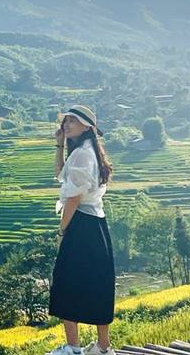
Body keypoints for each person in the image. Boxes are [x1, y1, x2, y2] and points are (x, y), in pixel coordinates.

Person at [45, 105, 116, 355]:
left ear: (87, 126)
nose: (66, 124)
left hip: (80, 225)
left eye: (72, 121)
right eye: (65, 121)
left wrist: (62, 231)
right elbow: (60, 175)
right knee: (98, 283)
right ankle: (102, 348)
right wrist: (60, 144)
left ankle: (73, 349)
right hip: (96, 224)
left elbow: (72, 198)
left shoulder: (82, 155)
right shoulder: (88, 152)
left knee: (66, 283)